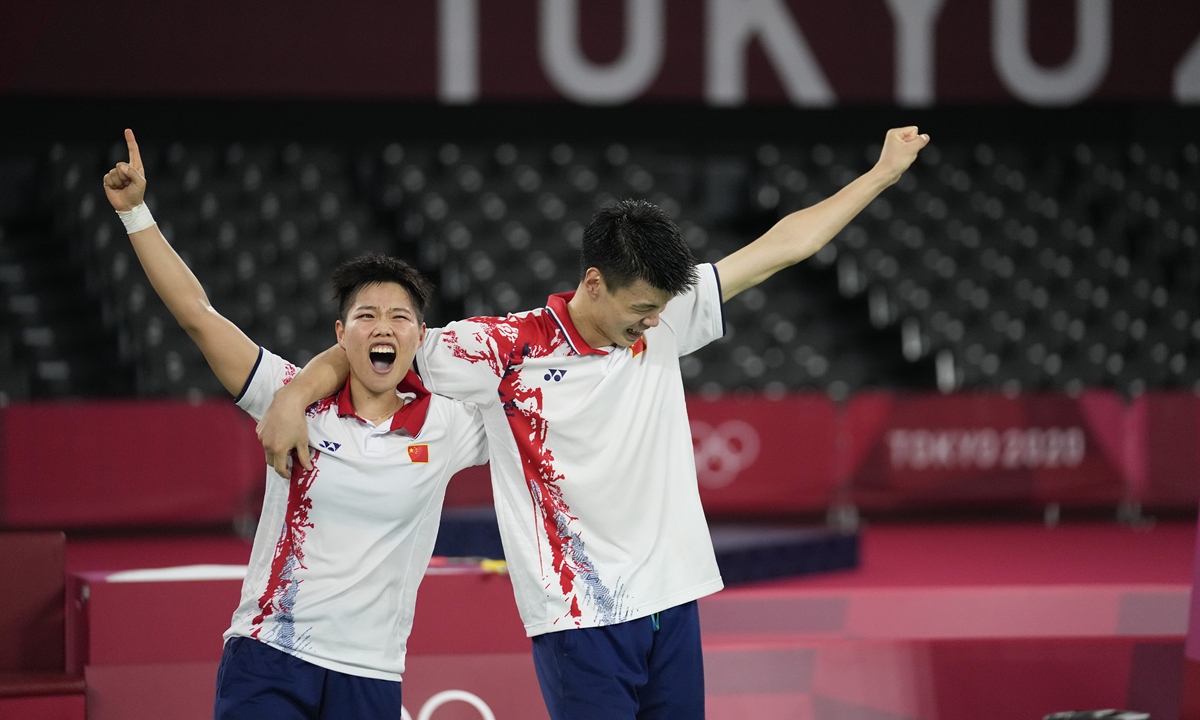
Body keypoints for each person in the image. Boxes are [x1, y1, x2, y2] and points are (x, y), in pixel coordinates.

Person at [257, 127, 931, 718]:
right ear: (593, 283)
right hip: (578, 618)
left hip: (672, 600)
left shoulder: (664, 319)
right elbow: (379, 343)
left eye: (662, 309)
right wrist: (291, 399)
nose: (652, 323)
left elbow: (786, 244)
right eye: (640, 308)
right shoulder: (501, 349)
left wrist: (880, 174)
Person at [102, 129, 488, 720]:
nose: (383, 328)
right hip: (270, 654)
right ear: (341, 334)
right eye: (366, 316)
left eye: (399, 318)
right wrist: (135, 215)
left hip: (371, 671)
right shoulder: (289, 396)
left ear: (420, 336)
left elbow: (540, 396)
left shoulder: (451, 425)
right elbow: (200, 318)